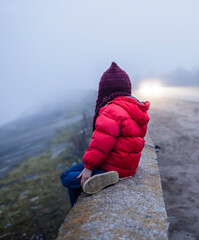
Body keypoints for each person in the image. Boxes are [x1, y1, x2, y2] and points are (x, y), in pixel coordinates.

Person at [60, 62, 150, 207]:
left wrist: (89, 168)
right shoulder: (136, 109)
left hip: (112, 169)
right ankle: (92, 188)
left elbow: (100, 143)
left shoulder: (111, 110)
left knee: (66, 177)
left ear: (105, 90)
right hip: (129, 167)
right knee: (76, 177)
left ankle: (98, 179)